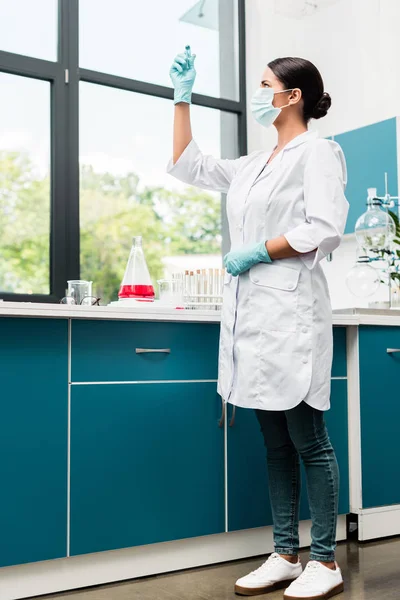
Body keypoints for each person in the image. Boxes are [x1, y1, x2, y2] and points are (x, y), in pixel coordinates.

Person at [168, 48, 349, 600]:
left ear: (292, 96)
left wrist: (258, 252)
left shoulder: (319, 152)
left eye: (264, 83)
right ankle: (283, 553)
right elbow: (188, 165)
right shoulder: (253, 163)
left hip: (292, 316)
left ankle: (324, 559)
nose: (256, 91)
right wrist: (182, 100)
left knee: (307, 439)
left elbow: (322, 225)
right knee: (273, 442)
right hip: (255, 319)